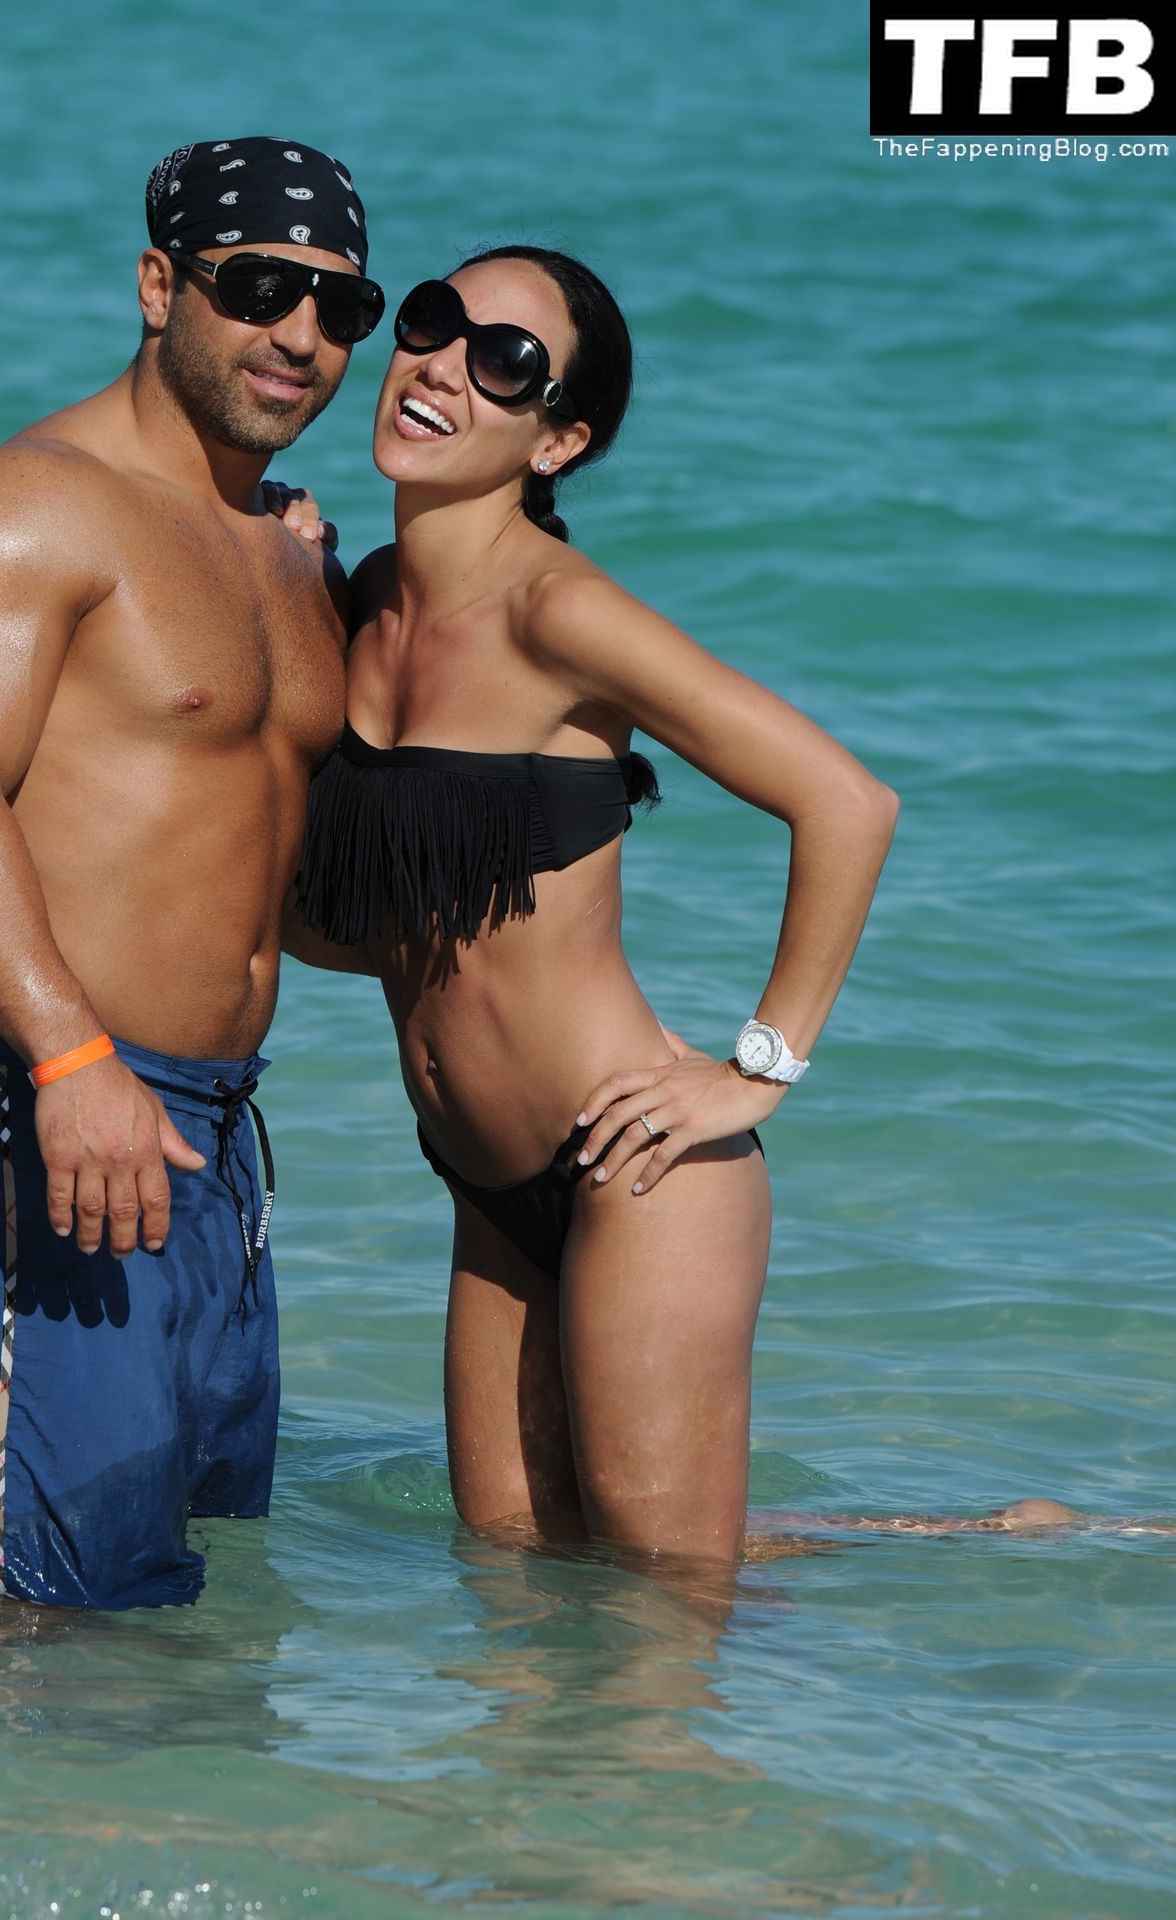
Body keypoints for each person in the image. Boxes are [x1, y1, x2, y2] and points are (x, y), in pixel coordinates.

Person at [284, 245, 904, 1571]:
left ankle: (990, 1554)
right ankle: (950, 1541)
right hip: (482, 1186)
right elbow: (392, 932)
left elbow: (847, 803)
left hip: (641, 1175)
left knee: (663, 1605)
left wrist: (758, 1070)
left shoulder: (560, 616)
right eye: (433, 323)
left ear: (557, 440)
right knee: (511, 1576)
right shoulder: (367, 603)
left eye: (507, 363)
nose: (444, 366)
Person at [0, 136, 383, 1611]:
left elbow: (259, 863)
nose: (301, 334)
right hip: (51, 1110)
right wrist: (72, 1056)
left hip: (216, 1146)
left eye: (340, 307)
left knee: (191, 1604)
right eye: (259, 288)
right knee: (32, 1615)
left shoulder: (290, 553)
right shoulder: (25, 503)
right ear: (161, 287)